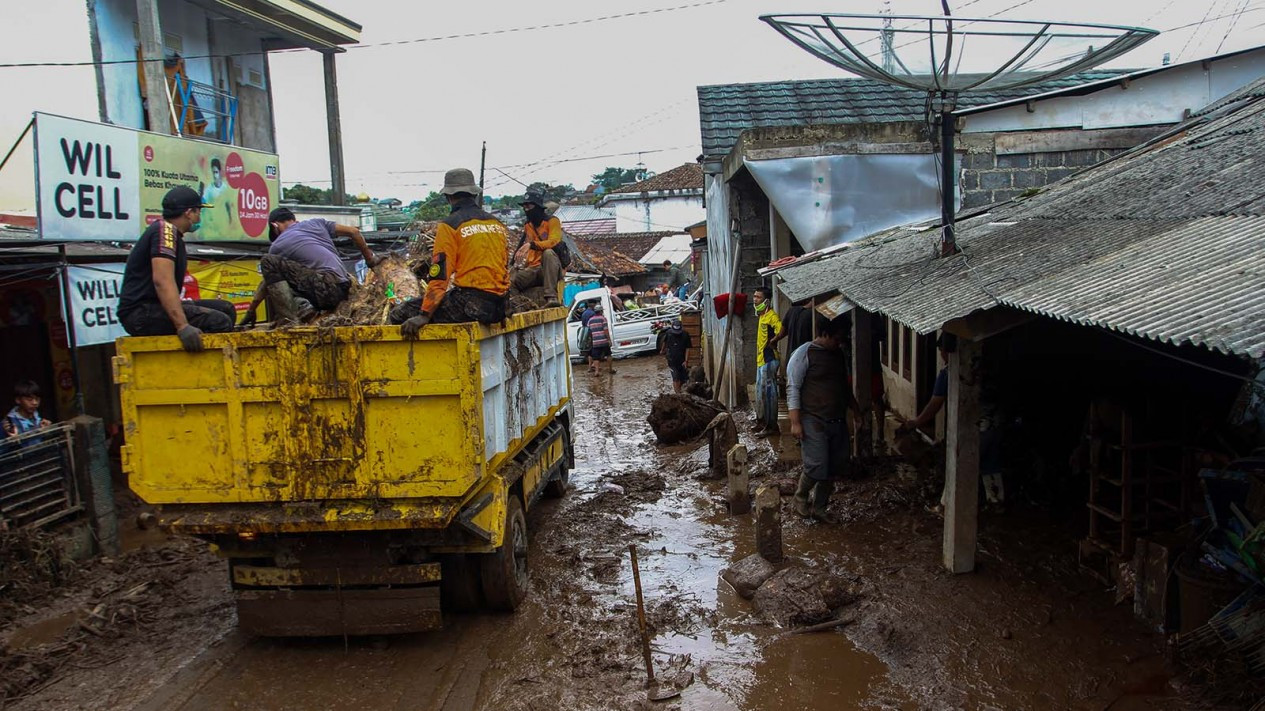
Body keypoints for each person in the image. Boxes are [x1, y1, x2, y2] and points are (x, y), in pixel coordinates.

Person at [389, 168, 510, 337]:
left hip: (470, 305)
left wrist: (424, 315)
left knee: (400, 313)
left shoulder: (450, 225)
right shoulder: (497, 224)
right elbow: (504, 266)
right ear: (474, 195)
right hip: (500, 306)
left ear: (448, 197)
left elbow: (440, 277)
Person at [117, 186, 236, 352]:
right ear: (188, 213)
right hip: (140, 314)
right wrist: (182, 326)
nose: (199, 216)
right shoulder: (164, 231)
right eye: (198, 211)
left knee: (226, 309)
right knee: (218, 321)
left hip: (153, 309)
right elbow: (162, 280)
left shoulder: (171, 234)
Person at [239, 207, 378, 327]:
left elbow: (267, 283)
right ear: (294, 219)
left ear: (275, 226)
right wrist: (370, 261)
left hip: (325, 288)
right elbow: (354, 232)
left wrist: (252, 310)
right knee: (281, 277)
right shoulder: (317, 223)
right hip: (344, 288)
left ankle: (289, 321)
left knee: (268, 262)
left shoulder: (278, 245)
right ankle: (305, 309)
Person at [786, 316, 862, 524]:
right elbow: (793, 387)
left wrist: (855, 411)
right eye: (837, 338)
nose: (839, 343)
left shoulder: (838, 354)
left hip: (836, 419)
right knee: (817, 464)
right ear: (825, 334)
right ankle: (800, 497)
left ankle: (820, 507)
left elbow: (844, 387)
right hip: (813, 418)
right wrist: (795, 422)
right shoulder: (804, 354)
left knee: (834, 466)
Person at [510, 191, 563, 307]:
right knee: (510, 280)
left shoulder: (552, 221)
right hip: (534, 268)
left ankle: (551, 297)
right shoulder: (528, 225)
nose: (526, 209)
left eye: (528, 206)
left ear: (537, 207)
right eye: (524, 206)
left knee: (548, 253)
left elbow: (553, 241)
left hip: (550, 268)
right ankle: (520, 304)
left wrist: (532, 244)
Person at [751, 286, 783, 436]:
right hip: (761, 360)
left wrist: (775, 340)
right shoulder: (761, 316)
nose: (755, 299)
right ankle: (761, 421)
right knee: (760, 392)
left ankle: (772, 426)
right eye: (755, 297)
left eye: (758, 297)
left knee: (769, 394)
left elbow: (781, 329)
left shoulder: (772, 316)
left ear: (766, 301)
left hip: (769, 360)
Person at [2, 380, 51, 450]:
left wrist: (46, 433)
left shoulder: (41, 417)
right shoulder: (8, 424)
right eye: (29, 399)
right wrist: (12, 440)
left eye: (37, 399)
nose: (35, 403)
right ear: (18, 400)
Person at [660, 319, 691, 393]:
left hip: (682, 360)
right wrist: (662, 350)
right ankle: (677, 395)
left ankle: (681, 392)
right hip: (671, 360)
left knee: (683, 379)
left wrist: (686, 361)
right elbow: (664, 342)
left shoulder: (685, 335)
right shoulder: (668, 333)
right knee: (675, 378)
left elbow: (688, 349)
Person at [587, 304, 612, 375]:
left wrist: (591, 340)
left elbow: (589, 331)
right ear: (601, 311)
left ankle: (596, 371)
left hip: (595, 342)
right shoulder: (603, 319)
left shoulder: (590, 320)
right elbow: (606, 330)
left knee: (596, 357)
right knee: (608, 354)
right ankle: (610, 369)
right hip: (604, 340)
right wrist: (609, 340)